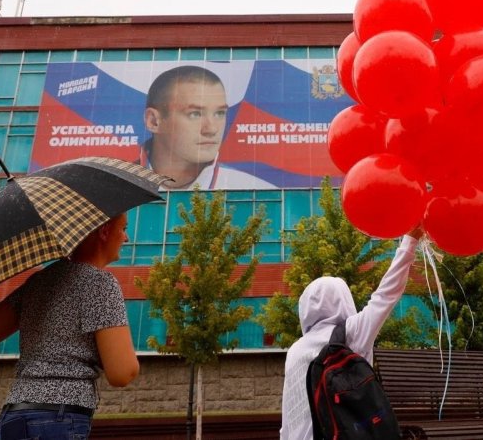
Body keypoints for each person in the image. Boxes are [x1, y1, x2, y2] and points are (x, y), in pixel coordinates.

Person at [0, 213, 139, 440]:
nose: (126, 238)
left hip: (13, 418)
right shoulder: (101, 284)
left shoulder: (38, 282)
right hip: (59, 421)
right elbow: (122, 373)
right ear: (104, 231)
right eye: (123, 228)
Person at [279, 225, 424, 440]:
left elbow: (288, 418)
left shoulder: (295, 350)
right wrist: (410, 240)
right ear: (343, 299)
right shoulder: (351, 333)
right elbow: (386, 295)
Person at [140, 65, 275, 190]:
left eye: (219, 113)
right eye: (195, 114)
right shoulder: (122, 184)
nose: (211, 129)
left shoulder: (251, 189)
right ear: (153, 121)